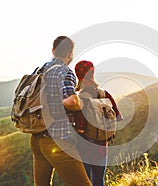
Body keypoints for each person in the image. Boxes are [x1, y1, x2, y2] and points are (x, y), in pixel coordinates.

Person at [30, 36, 92, 186]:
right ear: (70, 54)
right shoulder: (64, 72)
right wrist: (80, 104)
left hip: (37, 138)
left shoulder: (41, 69)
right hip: (58, 139)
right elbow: (69, 101)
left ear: (53, 50)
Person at [73, 60, 123, 186]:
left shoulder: (79, 99)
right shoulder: (105, 94)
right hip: (102, 147)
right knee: (99, 181)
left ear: (77, 75)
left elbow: (79, 127)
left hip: (83, 149)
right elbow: (117, 117)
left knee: (84, 182)